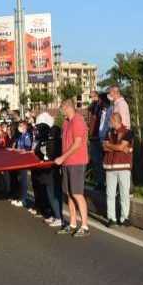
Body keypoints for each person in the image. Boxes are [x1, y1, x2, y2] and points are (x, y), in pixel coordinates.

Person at [54, 99, 90, 237]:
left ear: (68, 107)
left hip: (77, 162)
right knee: (69, 194)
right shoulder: (66, 123)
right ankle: (73, 223)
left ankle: (85, 226)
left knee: (77, 193)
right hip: (67, 163)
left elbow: (77, 143)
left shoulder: (78, 121)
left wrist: (62, 158)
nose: (61, 111)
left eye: (62, 108)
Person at [102, 111, 133, 226]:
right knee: (110, 194)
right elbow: (104, 147)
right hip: (110, 167)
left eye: (111, 121)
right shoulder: (109, 132)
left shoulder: (128, 132)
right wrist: (118, 147)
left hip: (123, 166)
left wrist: (110, 146)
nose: (110, 123)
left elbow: (121, 147)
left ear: (116, 121)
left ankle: (124, 218)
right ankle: (112, 218)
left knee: (124, 194)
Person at [10, 120, 35, 211]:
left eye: (21, 125)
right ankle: (21, 198)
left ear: (25, 126)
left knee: (24, 180)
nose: (19, 127)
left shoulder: (27, 135)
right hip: (20, 160)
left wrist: (19, 150)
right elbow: (18, 146)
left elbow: (27, 148)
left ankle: (24, 199)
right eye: (19, 125)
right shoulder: (20, 136)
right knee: (20, 180)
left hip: (24, 160)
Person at [87, 91, 109, 191]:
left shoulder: (104, 108)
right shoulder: (94, 107)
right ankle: (100, 182)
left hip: (100, 137)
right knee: (96, 161)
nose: (92, 99)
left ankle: (104, 182)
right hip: (94, 137)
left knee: (101, 161)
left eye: (93, 97)